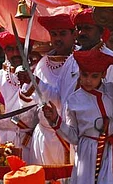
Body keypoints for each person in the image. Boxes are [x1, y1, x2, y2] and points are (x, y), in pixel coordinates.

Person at [42, 50, 113, 184]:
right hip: (88, 155)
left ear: (103, 74)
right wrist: (55, 121)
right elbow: (73, 136)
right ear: (79, 73)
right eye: (84, 75)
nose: (88, 80)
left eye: (94, 76)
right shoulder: (74, 101)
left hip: (111, 153)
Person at [28, 13, 77, 165]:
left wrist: (37, 83)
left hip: (69, 136)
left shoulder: (79, 61)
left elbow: (64, 101)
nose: (57, 39)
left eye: (63, 34)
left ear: (74, 34)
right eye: (53, 34)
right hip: (44, 137)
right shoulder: (42, 64)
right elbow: (30, 104)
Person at [0, 32, 36, 159]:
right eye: (10, 49)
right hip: (1, 144)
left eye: (19, 48)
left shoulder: (38, 76)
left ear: (28, 49)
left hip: (30, 144)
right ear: (4, 51)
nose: (15, 53)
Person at [72, 8, 113, 83]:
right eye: (79, 28)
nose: (81, 33)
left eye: (87, 28)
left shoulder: (111, 60)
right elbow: (59, 91)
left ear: (101, 32)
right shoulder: (71, 59)